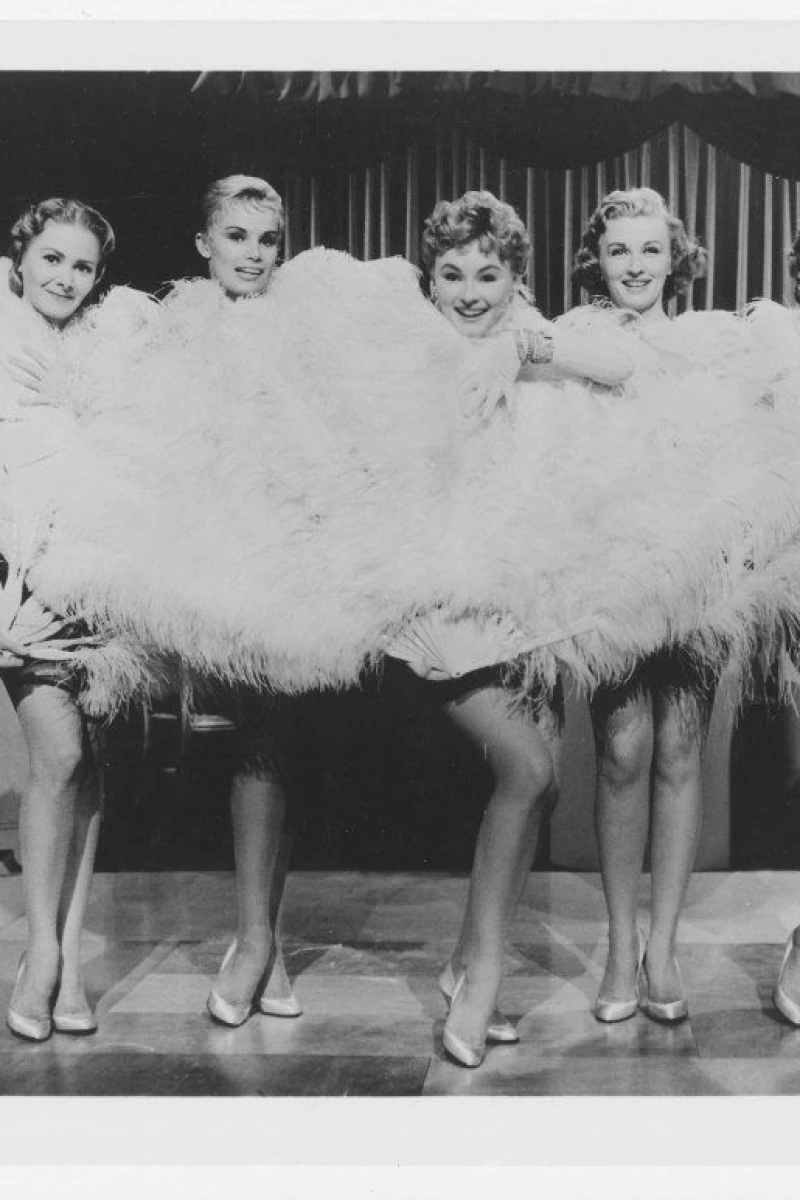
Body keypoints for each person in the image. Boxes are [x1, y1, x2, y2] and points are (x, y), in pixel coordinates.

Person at [414, 190, 634, 1066]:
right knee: (530, 768)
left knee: (538, 790)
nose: (470, 293)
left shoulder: (538, 343)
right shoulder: (405, 354)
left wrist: (524, 346)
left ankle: (466, 960)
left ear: (516, 279)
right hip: (439, 608)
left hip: (533, 610)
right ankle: (483, 974)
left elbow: (621, 363)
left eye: (488, 275)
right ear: (429, 279)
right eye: (452, 275)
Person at [572, 187, 710, 1025]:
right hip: (610, 579)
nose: (635, 265)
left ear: (675, 259)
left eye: (651, 249)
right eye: (620, 250)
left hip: (694, 580)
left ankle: (663, 949)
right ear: (598, 259)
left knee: (680, 752)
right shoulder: (575, 341)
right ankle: (620, 946)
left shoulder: (704, 347)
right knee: (622, 752)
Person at [0, 197, 115, 1041]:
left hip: (93, 585)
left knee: (87, 767)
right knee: (61, 756)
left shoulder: (104, 350)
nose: (65, 277)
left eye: (82, 266)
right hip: (16, 587)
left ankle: (68, 955)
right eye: (52, 258)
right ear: (20, 260)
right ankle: (41, 953)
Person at [192, 176, 301, 1026]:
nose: (253, 253)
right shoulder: (175, 329)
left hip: (293, 563)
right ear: (205, 244)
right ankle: (256, 940)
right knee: (251, 748)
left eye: (267, 239)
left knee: (277, 748)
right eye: (236, 236)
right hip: (209, 563)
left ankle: (264, 941)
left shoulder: (301, 327)